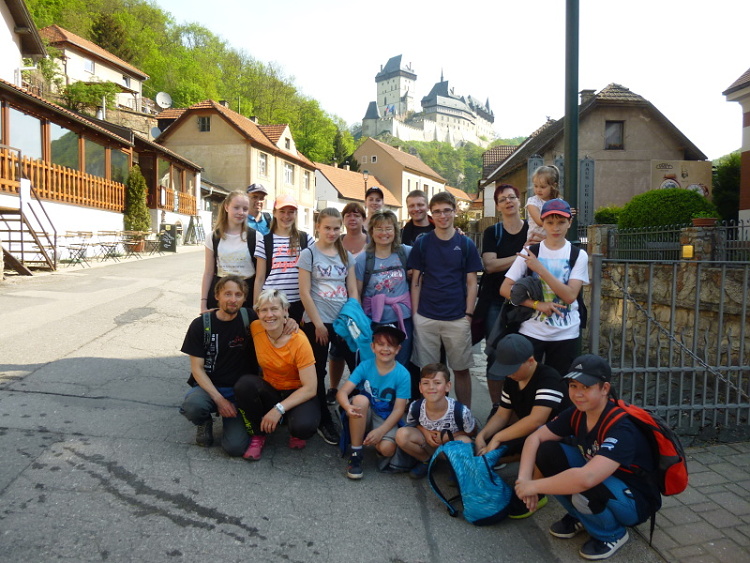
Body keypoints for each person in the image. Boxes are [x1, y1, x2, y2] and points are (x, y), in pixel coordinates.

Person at [515, 355, 661, 560]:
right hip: (605, 481)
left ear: (604, 388)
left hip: (634, 501)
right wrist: (523, 480)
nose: (578, 394)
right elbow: (535, 438)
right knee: (547, 452)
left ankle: (612, 534)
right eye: (573, 386)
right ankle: (581, 516)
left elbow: (587, 478)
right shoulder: (577, 413)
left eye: (586, 387)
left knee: (584, 486)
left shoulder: (622, 428)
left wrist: (534, 487)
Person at [408, 191, 483, 407]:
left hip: (457, 317)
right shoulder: (423, 243)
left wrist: (468, 315)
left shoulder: (465, 244)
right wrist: (416, 315)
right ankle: (432, 415)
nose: (442, 216)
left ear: (455, 211)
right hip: (426, 316)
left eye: (447, 211)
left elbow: (472, 283)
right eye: (438, 212)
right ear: (431, 214)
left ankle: (465, 414)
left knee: (461, 369)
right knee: (429, 373)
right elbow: (416, 281)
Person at [500, 198, 589, 377]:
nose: (555, 228)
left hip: (566, 334)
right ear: (543, 223)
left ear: (569, 223)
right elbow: (505, 288)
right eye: (550, 222)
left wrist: (540, 269)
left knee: (559, 386)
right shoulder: (530, 252)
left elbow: (570, 296)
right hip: (531, 331)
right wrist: (536, 304)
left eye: (561, 222)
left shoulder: (578, 255)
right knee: (526, 382)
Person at [233, 289, 320, 460]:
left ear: (285, 310)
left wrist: (278, 409)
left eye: (274, 309)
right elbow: (229, 316)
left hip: (297, 392)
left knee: (303, 427)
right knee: (244, 385)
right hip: (271, 390)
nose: (269, 315)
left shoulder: (299, 341)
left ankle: (289, 421)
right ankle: (258, 435)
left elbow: (310, 388)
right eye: (264, 310)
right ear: (258, 313)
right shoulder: (256, 327)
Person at [475, 334, 568, 490]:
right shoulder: (512, 380)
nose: (509, 374)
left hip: (554, 436)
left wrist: (498, 438)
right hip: (530, 431)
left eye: (512, 369)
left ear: (530, 361)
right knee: (487, 442)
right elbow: (502, 415)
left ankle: (537, 488)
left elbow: (536, 420)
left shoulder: (549, 379)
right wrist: (482, 436)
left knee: (535, 446)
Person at [299, 207, 358, 446]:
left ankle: (353, 410)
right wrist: (317, 324)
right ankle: (323, 418)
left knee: (357, 366)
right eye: (327, 228)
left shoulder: (346, 255)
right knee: (318, 371)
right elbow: (304, 292)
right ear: (318, 227)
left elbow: (352, 289)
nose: (332, 232)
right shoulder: (309, 254)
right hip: (318, 322)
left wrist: (350, 317)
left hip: (342, 322)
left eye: (336, 228)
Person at [180, 276, 258, 456]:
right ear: (217, 296)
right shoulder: (200, 325)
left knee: (235, 448)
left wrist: (289, 321)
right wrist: (220, 400)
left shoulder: (249, 318)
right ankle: (204, 421)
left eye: (238, 294)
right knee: (193, 406)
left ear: (244, 298)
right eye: (227, 294)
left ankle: (232, 420)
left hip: (239, 392)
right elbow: (197, 369)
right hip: (209, 387)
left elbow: (273, 321)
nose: (233, 299)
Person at [476, 184, 530, 408]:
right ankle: (497, 406)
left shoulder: (532, 230)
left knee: (525, 353)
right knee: (495, 352)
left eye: (512, 197)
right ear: (498, 206)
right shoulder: (493, 232)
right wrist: (522, 255)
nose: (508, 201)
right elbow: (490, 265)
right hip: (496, 302)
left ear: (519, 201)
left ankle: (519, 406)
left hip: (526, 302)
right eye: (503, 199)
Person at [337, 324, 411, 480]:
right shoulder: (365, 366)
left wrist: (381, 431)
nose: (385, 349)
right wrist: (347, 406)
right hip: (366, 411)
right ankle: (356, 453)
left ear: (398, 349)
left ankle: (373, 440)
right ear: (373, 347)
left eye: (391, 345)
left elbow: (399, 410)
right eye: (381, 344)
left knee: (387, 449)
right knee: (360, 400)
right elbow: (343, 392)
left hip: (386, 416)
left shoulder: (403, 374)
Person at [395, 363, 476, 479]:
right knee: (402, 434)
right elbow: (414, 425)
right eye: (426, 383)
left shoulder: (460, 411)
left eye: (437, 383)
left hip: (450, 446)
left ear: (447, 386)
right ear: (420, 387)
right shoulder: (416, 407)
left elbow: (472, 432)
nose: (431, 387)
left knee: (466, 442)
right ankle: (426, 461)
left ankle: (456, 467)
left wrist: (449, 437)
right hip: (428, 445)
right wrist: (426, 433)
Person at [356, 209, 413, 373]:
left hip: (402, 319)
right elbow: (357, 292)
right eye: (379, 229)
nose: (384, 233)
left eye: (388, 228)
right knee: (374, 364)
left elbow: (429, 252)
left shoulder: (405, 252)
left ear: (395, 231)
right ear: (371, 231)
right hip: (374, 320)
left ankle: (399, 390)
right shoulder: (363, 259)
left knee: (401, 364)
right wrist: (361, 322)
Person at [253, 194, 314, 322]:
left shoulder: (305, 239)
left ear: (296, 214)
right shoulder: (265, 241)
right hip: (272, 303)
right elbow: (259, 278)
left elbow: (313, 274)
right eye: (282, 211)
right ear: (274, 213)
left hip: (299, 303)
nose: (286, 216)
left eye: (291, 212)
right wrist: (256, 307)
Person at [200, 190, 256, 312]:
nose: (241, 212)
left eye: (245, 209)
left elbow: (260, 276)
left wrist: (257, 305)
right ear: (226, 207)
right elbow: (208, 273)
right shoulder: (213, 237)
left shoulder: (256, 237)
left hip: (247, 295)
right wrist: (203, 303)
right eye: (236, 207)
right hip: (221, 293)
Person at [525, 165, 560, 244]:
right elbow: (540, 222)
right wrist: (562, 216)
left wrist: (568, 215)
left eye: (543, 187)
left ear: (553, 186)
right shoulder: (533, 202)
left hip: (552, 241)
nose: (538, 190)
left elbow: (564, 224)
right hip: (535, 241)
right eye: (535, 186)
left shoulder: (558, 202)